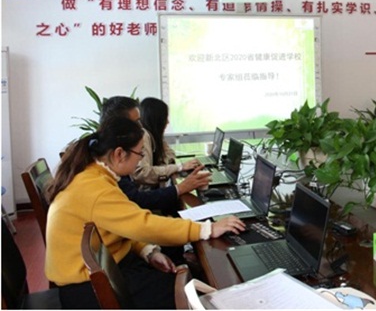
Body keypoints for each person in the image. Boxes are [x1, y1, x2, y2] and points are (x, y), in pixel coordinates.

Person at [45, 116, 245, 309]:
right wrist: (208, 229)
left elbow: (122, 225)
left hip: (100, 272)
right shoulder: (95, 188)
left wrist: (147, 252)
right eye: (140, 154)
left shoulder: (93, 175)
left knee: (182, 282)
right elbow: (143, 225)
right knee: (190, 296)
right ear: (119, 154)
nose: (140, 160)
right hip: (89, 289)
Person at [99, 96, 210, 213]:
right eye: (136, 122)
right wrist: (180, 185)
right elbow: (139, 190)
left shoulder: (115, 154)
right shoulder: (108, 169)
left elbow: (169, 154)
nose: (140, 126)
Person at [134, 97, 200, 190]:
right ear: (157, 120)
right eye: (165, 118)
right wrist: (179, 167)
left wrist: (165, 166)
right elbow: (143, 173)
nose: (167, 122)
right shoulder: (144, 136)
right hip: (146, 194)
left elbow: (170, 153)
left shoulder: (155, 135)